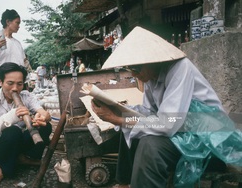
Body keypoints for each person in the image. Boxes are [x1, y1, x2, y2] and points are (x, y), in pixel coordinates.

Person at [91, 26, 240, 188]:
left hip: (209, 142)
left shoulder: (180, 69)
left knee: (149, 145)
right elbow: (148, 112)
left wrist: (118, 120)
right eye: (130, 69)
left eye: (136, 69)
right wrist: (118, 111)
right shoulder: (151, 76)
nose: (134, 74)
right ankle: (124, 184)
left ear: (152, 61)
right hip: (183, 133)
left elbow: (168, 124)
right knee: (130, 130)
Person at [0, 62, 52, 186]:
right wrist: (10, 117)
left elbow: (43, 112)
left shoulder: (26, 96)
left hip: (17, 144)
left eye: (19, 84)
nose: (15, 88)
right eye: (10, 83)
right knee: (13, 131)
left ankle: (22, 157)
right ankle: (1, 166)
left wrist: (43, 117)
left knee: (45, 127)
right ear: (0, 82)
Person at [0, 9, 26, 90]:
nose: (19, 26)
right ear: (8, 22)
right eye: (17, 23)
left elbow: (22, 64)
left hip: (17, 85)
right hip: (1, 84)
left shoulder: (18, 43)